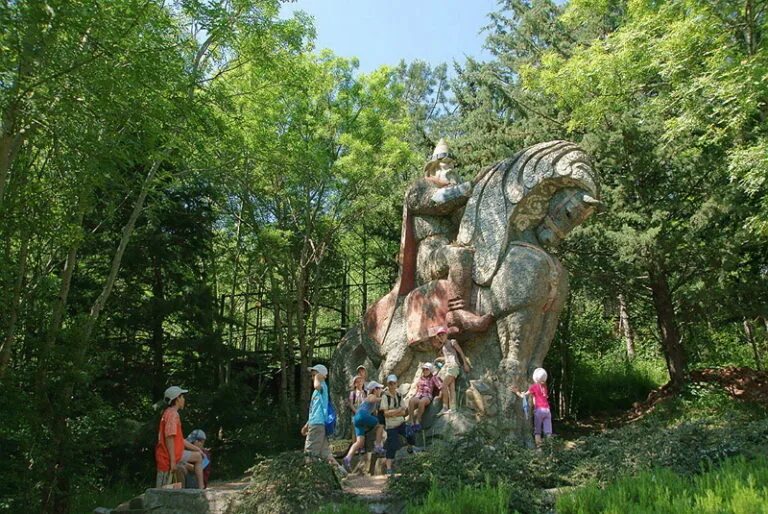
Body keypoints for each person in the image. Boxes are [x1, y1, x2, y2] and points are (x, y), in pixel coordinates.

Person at [154, 386, 205, 489]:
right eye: (182, 397)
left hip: (174, 454)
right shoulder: (173, 415)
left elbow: (179, 440)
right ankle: (201, 488)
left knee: (198, 456)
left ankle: (201, 488)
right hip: (169, 456)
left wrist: (197, 449)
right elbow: (169, 438)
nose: (184, 399)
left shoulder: (169, 413)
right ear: (177, 398)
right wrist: (173, 461)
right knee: (198, 458)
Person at [301, 364, 347, 475]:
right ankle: (341, 472)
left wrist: (318, 377)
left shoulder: (322, 387)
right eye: (312, 376)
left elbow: (316, 385)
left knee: (310, 452)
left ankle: (311, 476)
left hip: (317, 425)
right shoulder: (317, 391)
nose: (312, 378)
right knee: (325, 453)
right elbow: (315, 410)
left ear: (321, 376)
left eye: (314, 375)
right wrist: (307, 425)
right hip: (316, 423)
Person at [343, 381, 384, 471]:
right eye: (379, 388)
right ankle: (377, 446)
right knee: (380, 425)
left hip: (357, 418)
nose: (380, 390)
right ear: (375, 389)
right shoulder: (372, 396)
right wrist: (383, 398)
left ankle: (347, 458)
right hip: (363, 415)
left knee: (359, 441)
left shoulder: (367, 398)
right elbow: (372, 400)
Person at [380, 374, 416, 475]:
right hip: (391, 425)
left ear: (397, 384)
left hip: (400, 423)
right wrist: (398, 411)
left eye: (394, 383)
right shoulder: (385, 396)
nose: (392, 385)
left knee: (410, 433)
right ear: (388, 384)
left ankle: (410, 447)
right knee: (392, 445)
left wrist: (394, 412)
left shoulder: (399, 395)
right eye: (390, 383)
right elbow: (386, 413)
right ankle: (388, 468)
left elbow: (404, 412)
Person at [431, 326, 471, 415]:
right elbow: (447, 357)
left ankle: (445, 407)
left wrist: (465, 364)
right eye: (439, 335)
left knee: (443, 385)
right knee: (450, 388)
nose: (441, 336)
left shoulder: (452, 342)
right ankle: (453, 409)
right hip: (448, 367)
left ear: (446, 334)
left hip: (453, 366)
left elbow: (460, 352)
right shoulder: (443, 347)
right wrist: (438, 359)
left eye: (442, 334)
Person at [511, 368, 552, 447]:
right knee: (548, 432)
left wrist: (517, 392)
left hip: (539, 410)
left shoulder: (534, 387)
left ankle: (539, 448)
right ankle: (550, 450)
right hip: (547, 410)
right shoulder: (544, 387)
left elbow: (523, 396)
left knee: (538, 431)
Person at [407, 363, 442, 432]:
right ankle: (411, 421)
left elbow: (440, 386)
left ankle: (418, 420)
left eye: (427, 369)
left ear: (430, 370)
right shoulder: (421, 378)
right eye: (424, 369)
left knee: (422, 402)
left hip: (427, 396)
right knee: (411, 401)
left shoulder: (433, 378)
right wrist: (414, 394)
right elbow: (418, 387)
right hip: (418, 395)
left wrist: (440, 396)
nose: (425, 371)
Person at [347, 375, 366, 447]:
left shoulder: (365, 393)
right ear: (355, 384)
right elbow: (351, 404)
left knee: (362, 431)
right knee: (355, 431)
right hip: (355, 414)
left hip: (363, 414)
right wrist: (356, 412)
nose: (359, 383)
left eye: (361, 381)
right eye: (357, 382)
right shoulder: (353, 393)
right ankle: (355, 447)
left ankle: (362, 447)